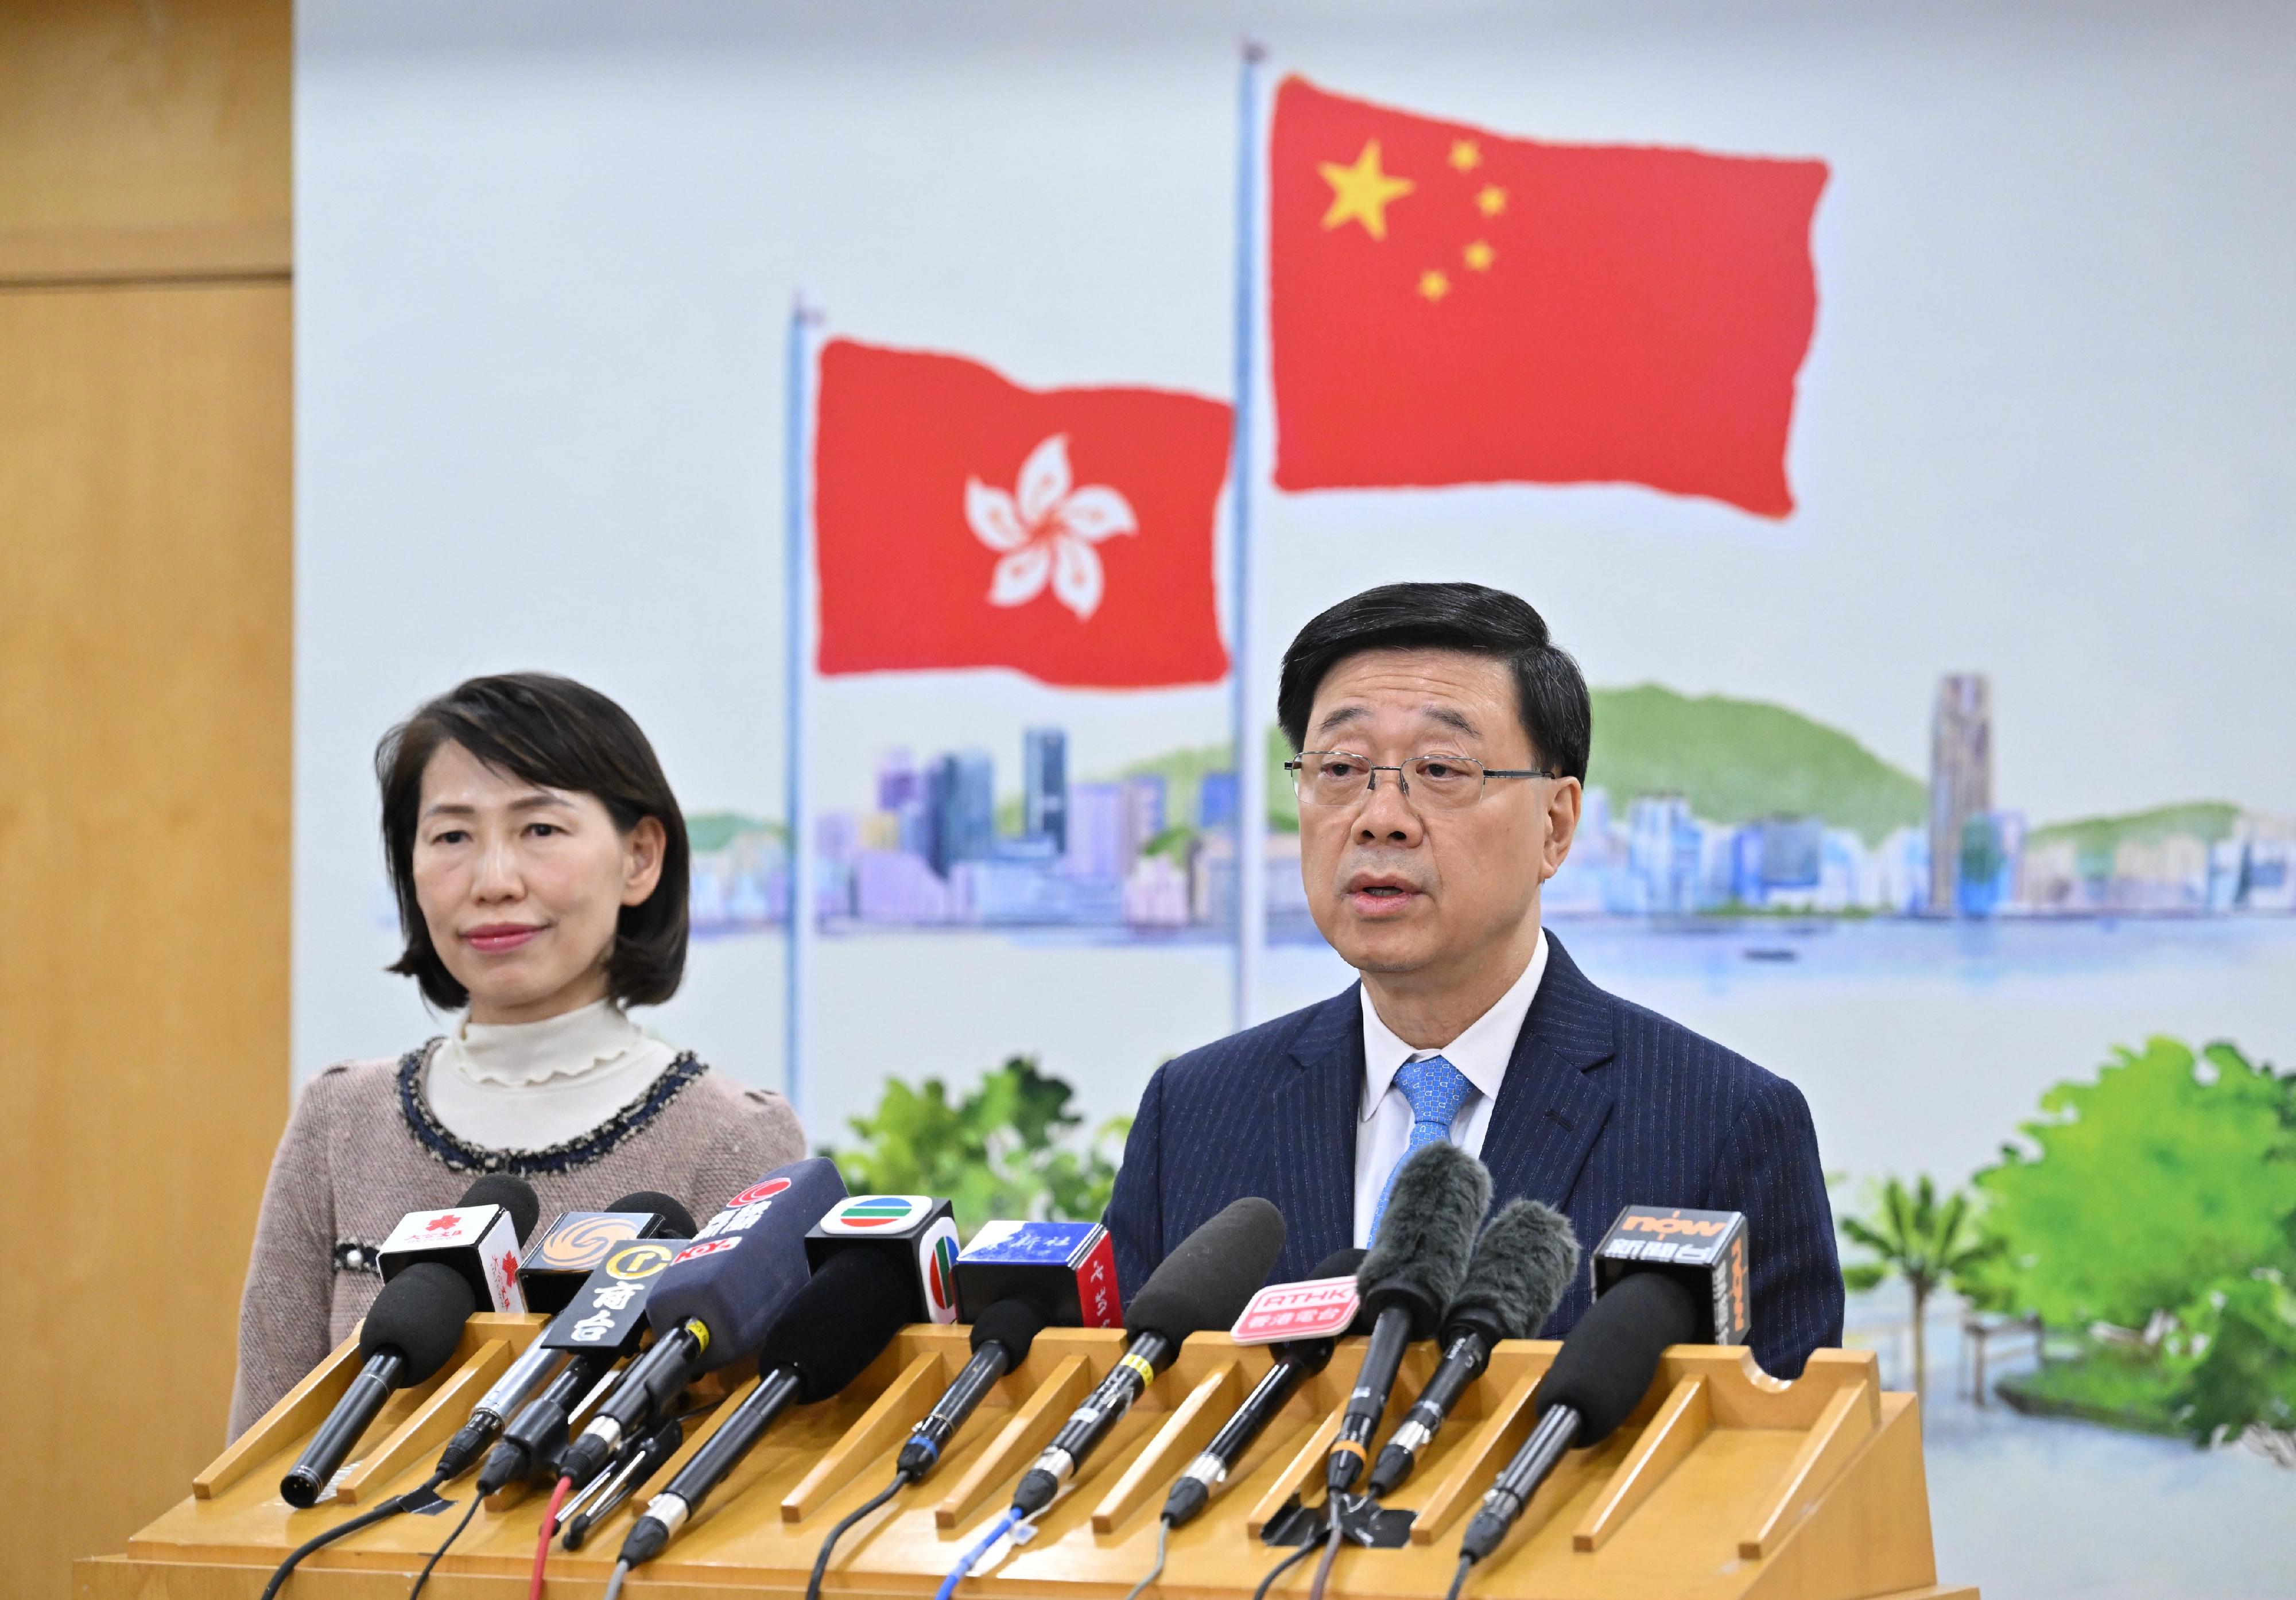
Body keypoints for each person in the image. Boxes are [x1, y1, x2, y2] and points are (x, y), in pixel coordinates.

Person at [1103, 584, 1841, 1379]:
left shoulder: (1722, 1127)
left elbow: (1783, 1471)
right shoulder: (1196, 1113)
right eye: (1343, 768)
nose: (1380, 816)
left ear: (1555, 826)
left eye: (1441, 768)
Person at [228, 673, 804, 1435]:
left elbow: (751, 1462)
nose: (494, 882)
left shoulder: (732, 1140)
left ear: (639, 857)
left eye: (540, 830)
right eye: (451, 837)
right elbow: (260, 1454)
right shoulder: (341, 1120)